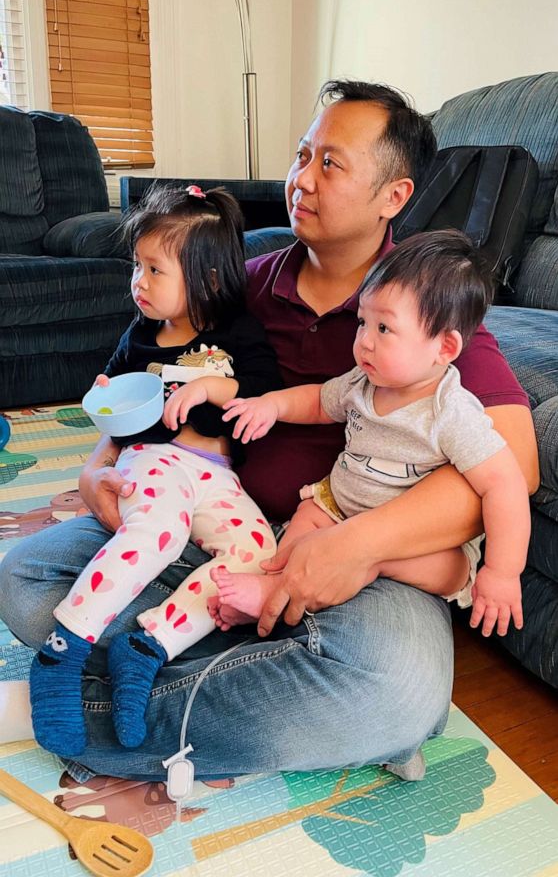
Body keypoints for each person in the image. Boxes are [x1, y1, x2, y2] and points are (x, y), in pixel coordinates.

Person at [0, 80, 538, 785]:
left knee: (395, 687)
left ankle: (77, 704)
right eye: (301, 155)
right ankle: (267, 682)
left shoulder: (421, 310)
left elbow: (515, 468)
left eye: (330, 164)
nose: (301, 180)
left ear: (394, 197)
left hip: (361, 565)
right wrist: (96, 467)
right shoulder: (238, 283)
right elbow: (145, 368)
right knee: (25, 579)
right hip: (204, 526)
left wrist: (355, 545)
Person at [29, 184, 280, 758]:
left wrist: (217, 385)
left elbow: (267, 390)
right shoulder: (139, 337)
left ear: (209, 279)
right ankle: (62, 652)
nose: (138, 282)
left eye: (154, 269)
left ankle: (149, 645)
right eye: (136, 267)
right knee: (156, 532)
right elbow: (112, 406)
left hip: (216, 473)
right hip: (154, 460)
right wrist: (104, 397)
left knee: (257, 554)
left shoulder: (236, 333)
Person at [213, 230, 530, 638]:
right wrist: (272, 404)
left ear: (445, 348)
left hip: (407, 544)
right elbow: (317, 402)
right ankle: (274, 585)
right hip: (338, 505)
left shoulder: (451, 412)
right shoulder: (363, 382)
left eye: (384, 329)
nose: (363, 341)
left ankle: (350, 571)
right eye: (363, 322)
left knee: (447, 567)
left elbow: (505, 485)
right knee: (304, 522)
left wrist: (503, 572)